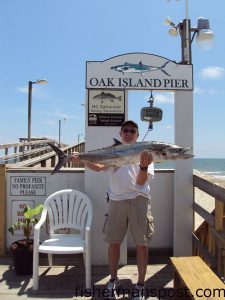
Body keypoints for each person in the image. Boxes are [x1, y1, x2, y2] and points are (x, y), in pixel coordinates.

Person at [72, 120, 154, 300]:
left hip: (139, 200)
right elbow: (99, 167)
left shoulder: (146, 153)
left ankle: (140, 284)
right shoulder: (115, 151)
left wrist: (144, 165)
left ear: (137, 135)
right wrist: (83, 159)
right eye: (126, 130)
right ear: (121, 133)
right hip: (116, 200)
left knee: (141, 244)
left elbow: (140, 182)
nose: (129, 133)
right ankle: (113, 279)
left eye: (132, 130)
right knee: (114, 242)